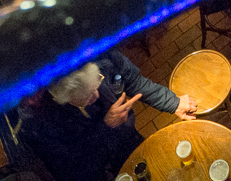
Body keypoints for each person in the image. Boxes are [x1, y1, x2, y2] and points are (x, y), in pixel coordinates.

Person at [19, 50, 198, 181]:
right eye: (88, 97)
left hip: (129, 143)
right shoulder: (39, 123)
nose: (97, 96)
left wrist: (172, 102)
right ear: (61, 99)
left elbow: (133, 81)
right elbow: (75, 172)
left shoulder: (100, 53)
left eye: (97, 84)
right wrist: (106, 127)